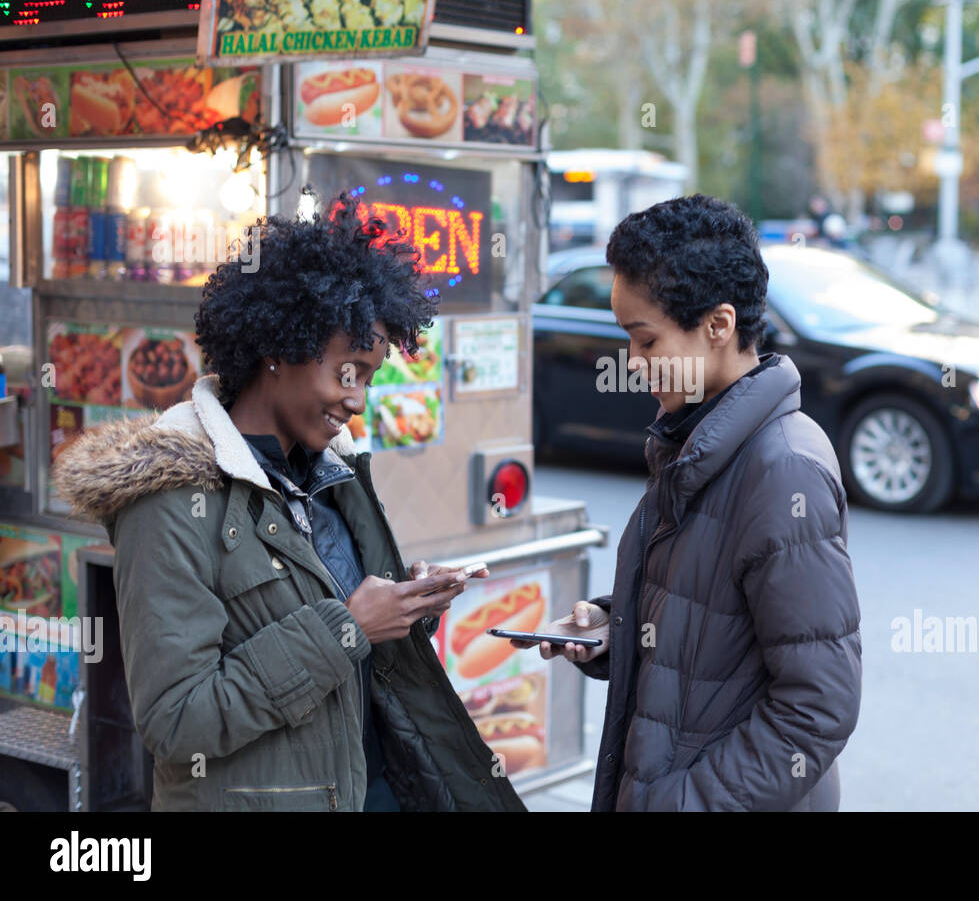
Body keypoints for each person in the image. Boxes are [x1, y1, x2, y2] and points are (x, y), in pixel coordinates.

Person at [53, 193, 525, 812]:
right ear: (279, 346)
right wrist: (349, 628)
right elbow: (176, 721)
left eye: (370, 377)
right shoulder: (169, 497)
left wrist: (403, 605)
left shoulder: (335, 471)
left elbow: (346, 632)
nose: (358, 400)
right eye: (349, 372)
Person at [518, 194, 862, 811]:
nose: (634, 362)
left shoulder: (783, 468)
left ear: (719, 326)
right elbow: (714, 624)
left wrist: (678, 804)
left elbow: (817, 711)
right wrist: (616, 627)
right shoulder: (698, 438)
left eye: (646, 341)